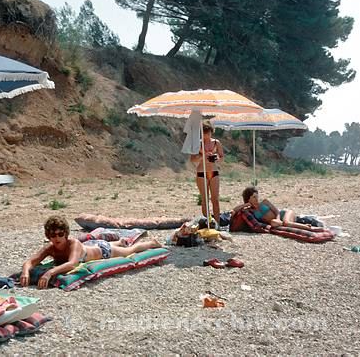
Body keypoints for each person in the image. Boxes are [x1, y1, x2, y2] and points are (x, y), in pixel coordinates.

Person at [20, 215, 162, 289]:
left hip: (103, 250)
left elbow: (73, 264)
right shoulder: (50, 248)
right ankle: (119, 241)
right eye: (53, 235)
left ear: (66, 234)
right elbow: (30, 261)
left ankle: (150, 243)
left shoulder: (73, 243)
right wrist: (26, 272)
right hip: (90, 246)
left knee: (128, 251)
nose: (57, 238)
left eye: (60, 234)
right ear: (48, 236)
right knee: (102, 245)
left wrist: (50, 272)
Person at [190, 121, 224, 222]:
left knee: (215, 199)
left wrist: (216, 158)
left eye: (208, 133)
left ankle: (217, 223)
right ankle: (208, 223)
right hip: (201, 172)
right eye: (204, 133)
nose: (207, 136)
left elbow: (222, 157)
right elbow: (192, 159)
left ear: (211, 132)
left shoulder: (216, 142)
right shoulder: (198, 143)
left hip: (214, 171)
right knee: (205, 200)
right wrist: (202, 156)